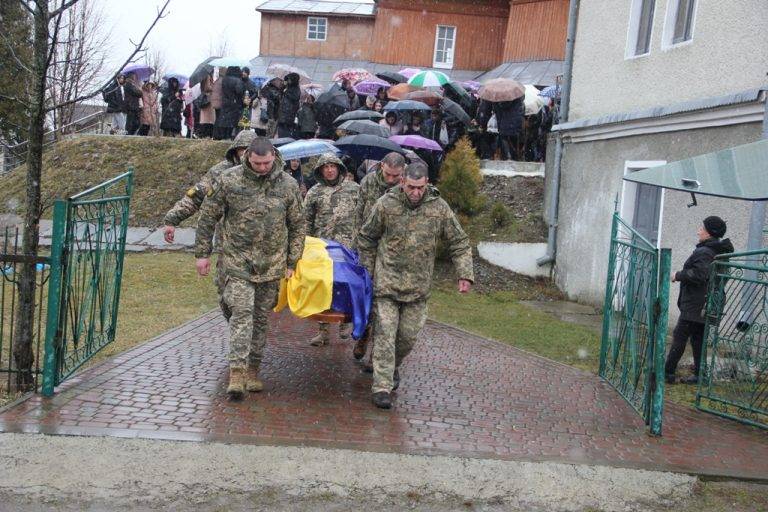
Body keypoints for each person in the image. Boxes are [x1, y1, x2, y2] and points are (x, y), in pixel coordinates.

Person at [195, 138, 305, 399]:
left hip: (271, 264)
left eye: (267, 162)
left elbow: (298, 225)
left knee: (259, 318)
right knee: (241, 312)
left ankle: (253, 369)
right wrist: (202, 254)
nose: (263, 167)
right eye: (257, 163)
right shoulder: (229, 180)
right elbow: (208, 216)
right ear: (248, 159)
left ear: (274, 157)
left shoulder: (288, 185)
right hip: (237, 261)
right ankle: (236, 373)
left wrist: (292, 261)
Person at [357, 162, 473, 409]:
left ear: (427, 184)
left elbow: (459, 242)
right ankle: (382, 386)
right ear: (402, 183)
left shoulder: (439, 208)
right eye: (411, 187)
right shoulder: (386, 205)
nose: (416, 193)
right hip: (386, 285)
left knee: (407, 338)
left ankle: (392, 368)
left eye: (420, 188)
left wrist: (464, 274)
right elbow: (367, 238)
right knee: (386, 334)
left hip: (418, 289)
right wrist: (367, 272)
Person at [164, 130, 258, 321]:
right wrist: (172, 219)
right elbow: (196, 196)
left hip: (259, 249)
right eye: (242, 150)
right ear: (235, 151)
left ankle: (247, 340)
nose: (245, 155)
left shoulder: (267, 173)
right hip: (228, 248)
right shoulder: (220, 172)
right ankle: (238, 327)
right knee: (226, 296)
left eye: (249, 150)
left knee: (252, 302)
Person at [665, 217, 734, 385]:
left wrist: (677, 275)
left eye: (702, 228)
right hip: (707, 302)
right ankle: (700, 375)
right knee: (698, 339)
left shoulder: (705, 252)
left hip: (697, 304)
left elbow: (699, 275)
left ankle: (667, 372)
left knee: (680, 336)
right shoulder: (719, 251)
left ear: (710, 232)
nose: (698, 231)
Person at [352, 152, 407, 360]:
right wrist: (355, 245)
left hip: (392, 251)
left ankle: (379, 351)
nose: (391, 180)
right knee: (368, 293)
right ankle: (364, 335)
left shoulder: (407, 188)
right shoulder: (368, 182)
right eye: (388, 174)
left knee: (386, 300)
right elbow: (358, 214)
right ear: (381, 166)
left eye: (396, 176)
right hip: (368, 247)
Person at [303, 153, 361, 346]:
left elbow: (365, 215)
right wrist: (306, 244)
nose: (329, 170)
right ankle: (323, 330)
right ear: (320, 170)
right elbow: (306, 220)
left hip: (347, 248)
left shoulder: (354, 190)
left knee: (345, 285)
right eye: (325, 167)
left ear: (339, 168)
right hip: (322, 249)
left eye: (332, 166)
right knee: (324, 288)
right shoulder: (314, 192)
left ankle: (346, 321)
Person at [215, 66, 245, 140]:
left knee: (224, 120)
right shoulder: (238, 80)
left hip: (225, 102)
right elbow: (239, 91)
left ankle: (224, 137)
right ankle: (229, 137)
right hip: (234, 103)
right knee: (232, 122)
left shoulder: (224, 79)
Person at [277, 73, 301, 138]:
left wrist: (286, 92)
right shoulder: (288, 88)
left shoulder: (295, 90)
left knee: (284, 136)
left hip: (287, 118)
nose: (288, 81)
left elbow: (294, 98)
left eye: (289, 79)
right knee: (281, 135)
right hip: (283, 117)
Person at [195, 73, 215, 139]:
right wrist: (213, 87)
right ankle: (204, 134)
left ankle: (201, 134)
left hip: (205, 100)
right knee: (208, 120)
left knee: (205, 120)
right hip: (207, 99)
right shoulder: (207, 76)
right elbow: (207, 87)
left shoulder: (203, 76)